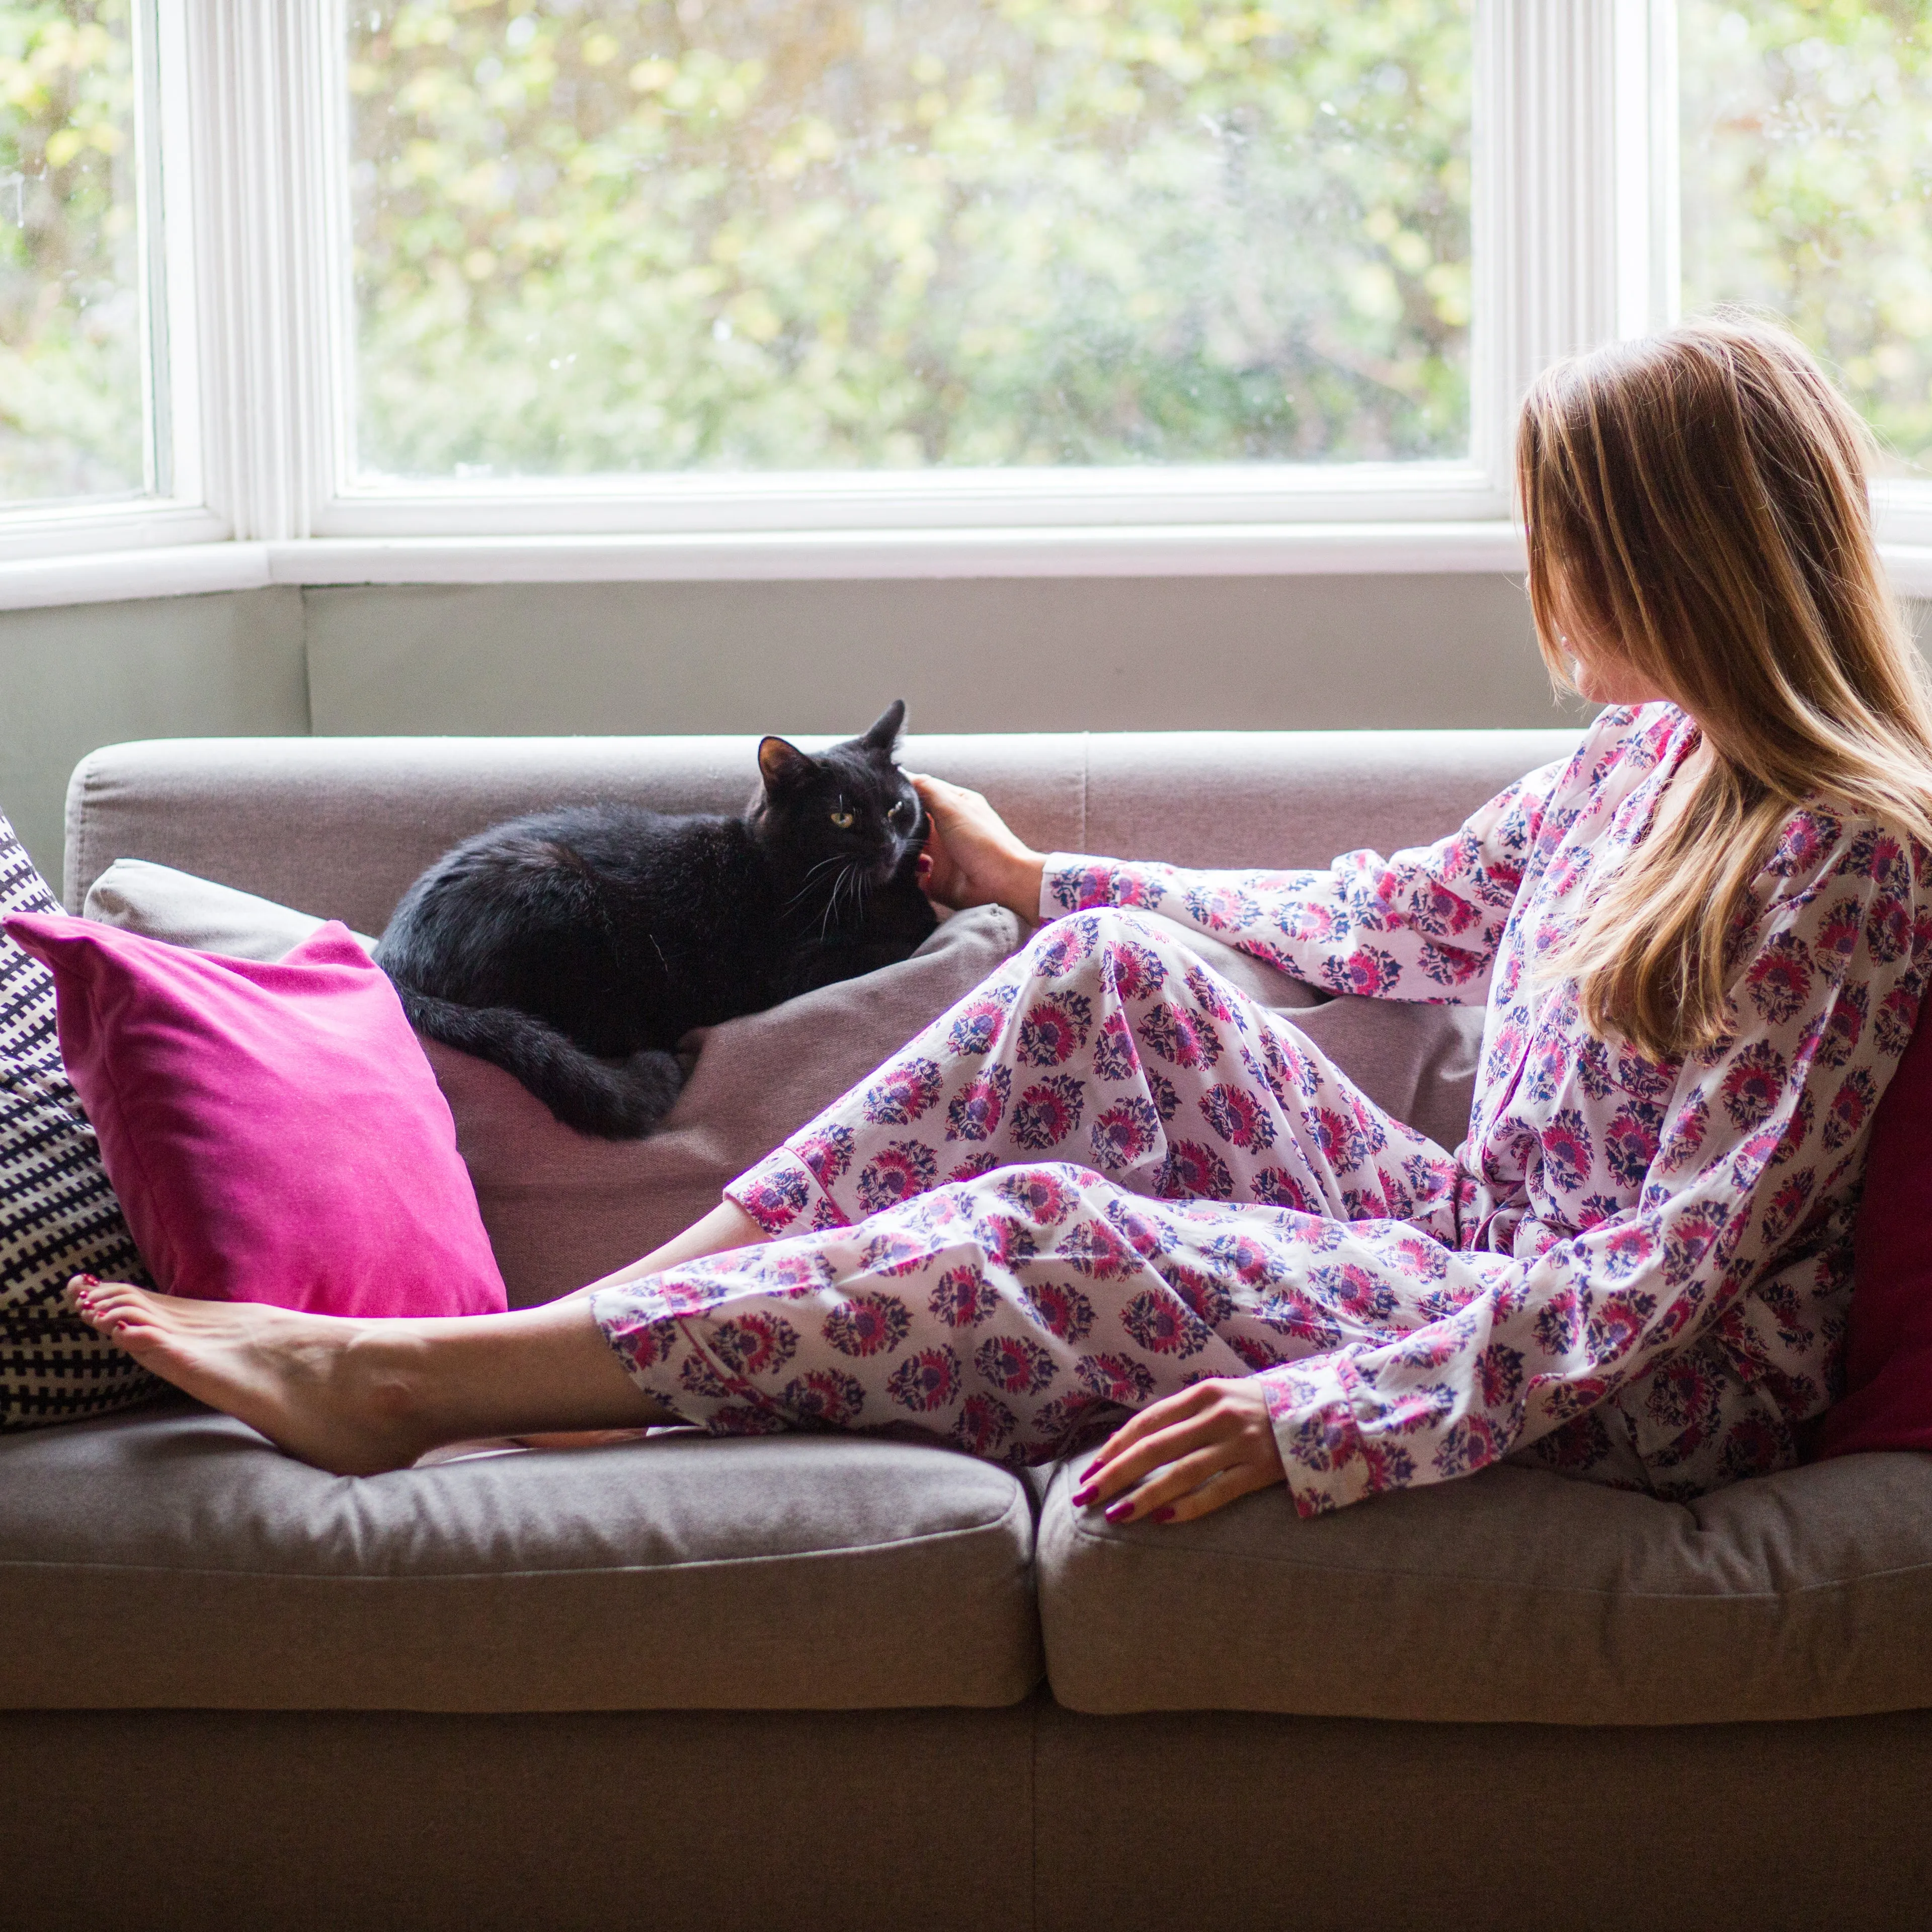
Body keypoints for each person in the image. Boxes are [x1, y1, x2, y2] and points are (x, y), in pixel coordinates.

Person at [70, 317, 1932, 1522]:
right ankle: (606, 1333)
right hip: (1471, 1242)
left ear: (1668, 559)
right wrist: (1043, 885)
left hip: (1631, 1376)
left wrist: (1332, 1420)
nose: (1542, 584)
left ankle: (411, 1387)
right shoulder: (1640, 762)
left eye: (1568, 542)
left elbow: (1672, 1276)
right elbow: (1384, 917)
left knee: (1046, 1234)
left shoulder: (1850, 857)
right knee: (1103, 979)